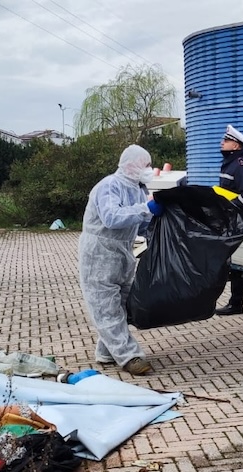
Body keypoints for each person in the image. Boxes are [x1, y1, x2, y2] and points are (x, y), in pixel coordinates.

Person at [78, 144, 164, 375]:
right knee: (106, 308)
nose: (148, 169)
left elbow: (141, 222)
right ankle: (129, 356)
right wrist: (147, 208)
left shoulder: (137, 189)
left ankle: (106, 352)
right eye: (145, 165)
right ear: (131, 165)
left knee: (121, 306)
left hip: (123, 253)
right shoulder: (108, 186)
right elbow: (112, 217)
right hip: (99, 253)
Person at [215, 124, 243, 316]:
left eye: (226, 141)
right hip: (232, 219)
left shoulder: (241, 166)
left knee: (241, 262)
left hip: (241, 219)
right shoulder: (230, 164)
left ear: (236, 145)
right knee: (236, 262)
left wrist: (230, 207)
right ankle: (235, 303)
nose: (222, 143)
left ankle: (236, 303)